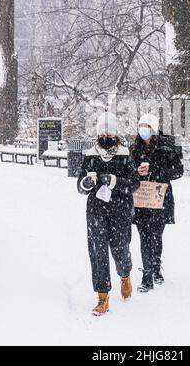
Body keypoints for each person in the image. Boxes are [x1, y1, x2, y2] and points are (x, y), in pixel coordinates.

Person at [77, 112, 140, 316]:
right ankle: (102, 297)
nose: (106, 135)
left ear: (115, 133)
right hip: (96, 211)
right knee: (98, 253)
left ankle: (124, 274)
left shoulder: (124, 154)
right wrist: (85, 184)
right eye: (102, 132)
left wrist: (114, 181)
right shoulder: (90, 155)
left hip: (120, 210)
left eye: (109, 131)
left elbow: (134, 183)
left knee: (120, 250)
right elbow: (80, 185)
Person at [130, 114, 184, 293]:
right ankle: (147, 276)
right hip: (141, 197)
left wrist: (155, 170)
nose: (143, 130)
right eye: (141, 126)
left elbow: (178, 171)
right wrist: (136, 171)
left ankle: (155, 267)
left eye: (147, 127)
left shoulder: (168, 146)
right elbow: (128, 170)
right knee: (144, 236)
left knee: (156, 235)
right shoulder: (134, 148)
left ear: (154, 128)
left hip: (161, 197)